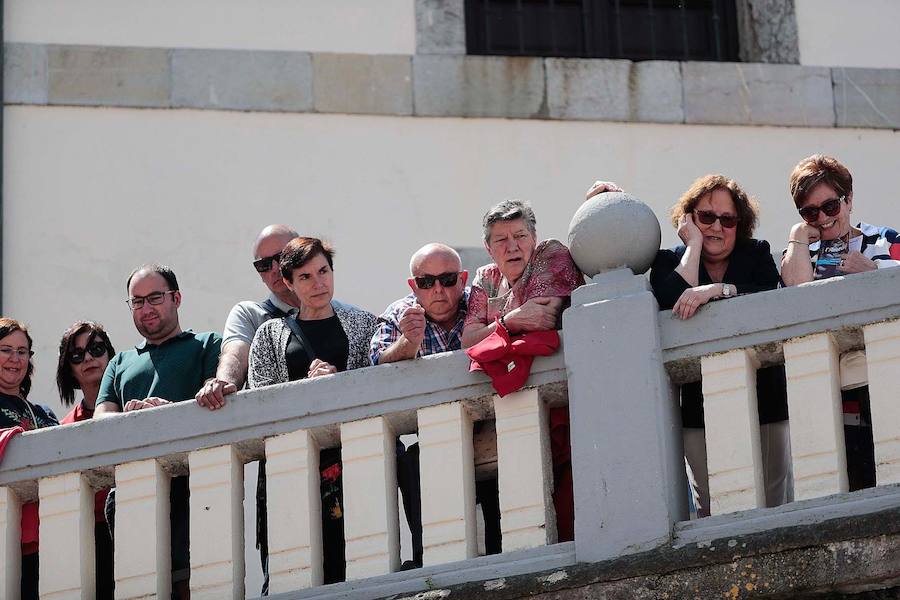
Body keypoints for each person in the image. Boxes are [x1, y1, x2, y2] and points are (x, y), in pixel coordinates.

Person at [648, 174, 790, 515]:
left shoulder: (756, 254)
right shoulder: (668, 261)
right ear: (689, 219)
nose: (717, 226)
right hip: (698, 405)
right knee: (711, 506)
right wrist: (693, 247)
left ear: (739, 224)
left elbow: (769, 297)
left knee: (774, 501)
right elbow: (671, 301)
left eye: (728, 219)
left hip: (765, 398)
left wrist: (716, 290)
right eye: (706, 216)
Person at [249, 237, 377, 585]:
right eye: (305, 277)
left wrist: (340, 381)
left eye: (323, 271)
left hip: (353, 463)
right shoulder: (269, 335)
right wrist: (306, 389)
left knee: (358, 562)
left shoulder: (364, 324)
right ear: (288, 283)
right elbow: (260, 402)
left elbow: (378, 387)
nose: (318, 282)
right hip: (289, 468)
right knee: (292, 569)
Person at [461, 198, 588, 543]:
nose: (512, 246)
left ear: (534, 237)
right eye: (501, 240)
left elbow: (544, 318)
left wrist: (496, 329)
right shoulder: (486, 278)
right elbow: (468, 339)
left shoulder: (551, 254)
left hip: (566, 399)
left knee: (572, 500)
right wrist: (511, 320)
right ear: (488, 248)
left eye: (520, 235)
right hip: (511, 407)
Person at [95, 264, 222, 600]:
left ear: (176, 298)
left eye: (154, 297)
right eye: (137, 301)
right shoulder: (119, 362)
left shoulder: (208, 344)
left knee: (191, 587)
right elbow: (101, 421)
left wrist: (168, 413)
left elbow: (219, 406)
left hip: (193, 492)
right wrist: (134, 417)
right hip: (129, 496)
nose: (146, 308)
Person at [781, 154, 900, 491]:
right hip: (831, 390)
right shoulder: (804, 251)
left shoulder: (885, 241)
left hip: (888, 380)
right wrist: (798, 234)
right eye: (810, 212)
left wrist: (874, 273)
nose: (823, 218)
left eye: (831, 206)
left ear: (849, 200)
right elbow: (795, 290)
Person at [369, 243, 470, 566]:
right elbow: (377, 365)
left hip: (487, 424)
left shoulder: (479, 304)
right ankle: (427, 559)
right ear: (414, 286)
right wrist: (407, 343)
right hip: (432, 436)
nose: (438, 289)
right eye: (426, 282)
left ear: (463, 279)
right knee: (412, 463)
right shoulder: (400, 313)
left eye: (448, 279)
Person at [195, 224, 301, 410]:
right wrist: (222, 383)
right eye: (264, 265)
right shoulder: (249, 314)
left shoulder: (343, 314)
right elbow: (235, 355)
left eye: (282, 257)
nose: (275, 269)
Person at [56, 321, 116, 600]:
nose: (89, 358)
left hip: (134, 522)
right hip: (87, 538)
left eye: (96, 349)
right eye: (77, 355)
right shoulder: (62, 428)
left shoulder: (133, 406)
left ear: (110, 354)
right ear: (69, 368)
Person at [0, 318, 58, 600]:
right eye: (6, 349)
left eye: (22, 352)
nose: (15, 359)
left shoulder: (44, 412)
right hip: (8, 536)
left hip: (53, 531)